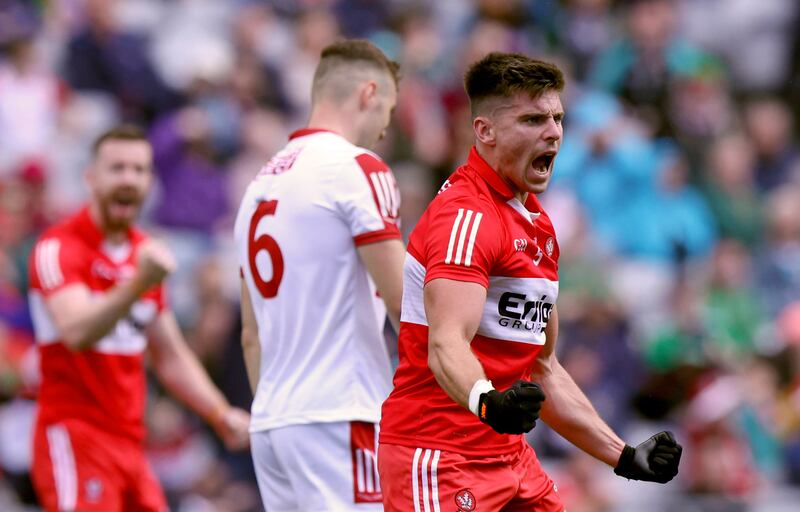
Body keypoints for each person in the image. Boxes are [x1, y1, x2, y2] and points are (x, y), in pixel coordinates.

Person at [378, 52, 682, 511]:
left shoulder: (536, 225)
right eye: (534, 119)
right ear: (485, 131)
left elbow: (542, 368)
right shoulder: (466, 216)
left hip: (509, 458)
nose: (554, 132)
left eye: (558, 118)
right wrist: (488, 403)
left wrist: (622, 455)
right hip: (440, 458)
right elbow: (445, 345)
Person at [27, 125, 250, 512]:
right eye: (117, 168)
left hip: (130, 444)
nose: (128, 179)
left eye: (138, 170)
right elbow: (76, 329)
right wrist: (137, 284)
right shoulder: (58, 248)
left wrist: (219, 412)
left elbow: (169, 355)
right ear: (91, 177)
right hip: (75, 437)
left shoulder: (143, 253)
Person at [233, 39, 405, 510]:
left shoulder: (257, 186)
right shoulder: (356, 168)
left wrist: (280, 412)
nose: (385, 131)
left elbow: (252, 336)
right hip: (339, 413)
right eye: (388, 110)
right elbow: (402, 303)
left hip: (272, 422)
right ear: (369, 93)